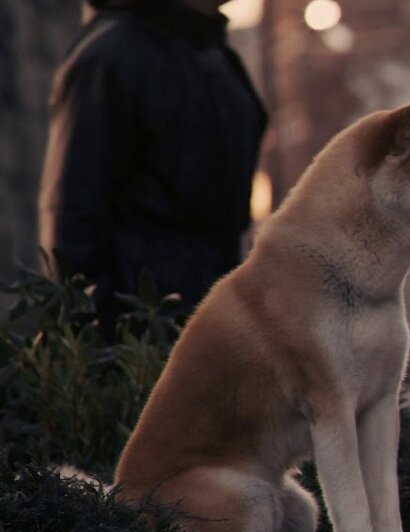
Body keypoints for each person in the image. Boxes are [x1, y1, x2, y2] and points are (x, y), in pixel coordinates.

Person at [39, 0, 266, 332]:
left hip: (207, 324)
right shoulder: (110, 56)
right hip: (137, 333)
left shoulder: (217, 59)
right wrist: (90, 347)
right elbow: (73, 216)